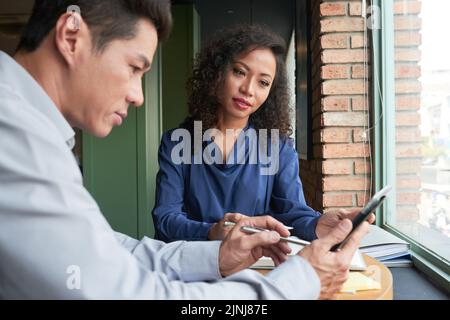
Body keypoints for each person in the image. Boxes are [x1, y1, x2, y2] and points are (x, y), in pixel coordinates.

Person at [0, 0, 371, 300]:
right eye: (134, 68)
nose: (138, 96)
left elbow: (110, 252)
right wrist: (300, 281)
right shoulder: (17, 137)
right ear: (71, 36)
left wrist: (219, 256)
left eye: (263, 83)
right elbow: (133, 276)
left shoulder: (33, 131)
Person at [152, 25, 371, 246]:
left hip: (253, 266)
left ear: (270, 93)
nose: (248, 89)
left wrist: (317, 225)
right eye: (239, 72)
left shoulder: (279, 148)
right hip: (190, 265)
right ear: (217, 73)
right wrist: (212, 231)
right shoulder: (176, 143)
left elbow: (293, 214)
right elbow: (165, 220)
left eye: (263, 82)